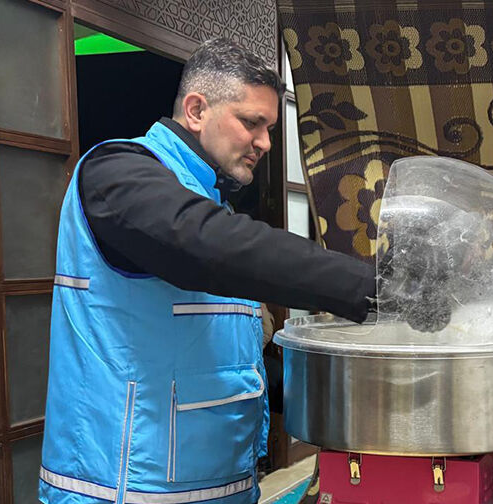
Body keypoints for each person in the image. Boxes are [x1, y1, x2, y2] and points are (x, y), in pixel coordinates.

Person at [39, 38, 375, 504]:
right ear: (196, 110)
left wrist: (355, 394)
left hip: (221, 488)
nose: (265, 143)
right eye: (251, 123)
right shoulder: (115, 173)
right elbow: (202, 242)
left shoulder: (214, 207)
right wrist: (372, 288)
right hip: (123, 489)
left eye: (269, 128)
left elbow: (228, 360)